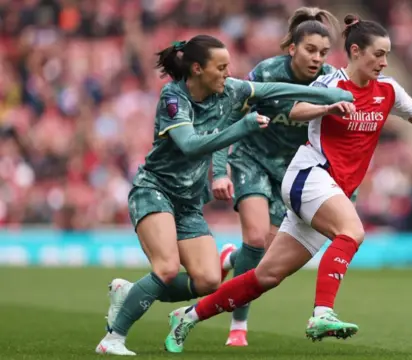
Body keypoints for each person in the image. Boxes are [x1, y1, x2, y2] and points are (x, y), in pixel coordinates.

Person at [163, 15, 412, 353]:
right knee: (352, 232)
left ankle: (188, 316)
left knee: (266, 277)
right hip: (310, 175)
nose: (383, 62)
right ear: (355, 51)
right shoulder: (330, 84)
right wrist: (326, 109)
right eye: (378, 54)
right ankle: (322, 313)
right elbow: (295, 110)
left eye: (386, 55)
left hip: (331, 190)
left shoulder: (389, 90)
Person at [94, 34, 354, 356]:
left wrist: (328, 95)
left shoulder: (231, 89)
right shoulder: (174, 98)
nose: (228, 73)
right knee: (166, 268)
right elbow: (190, 145)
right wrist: (242, 128)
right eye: (221, 67)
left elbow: (276, 91)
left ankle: (129, 292)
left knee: (207, 281)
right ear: (198, 69)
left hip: (188, 201)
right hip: (155, 189)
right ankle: (112, 339)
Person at [211, 7, 343, 347]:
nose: (317, 58)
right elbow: (230, 116)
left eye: (323, 53)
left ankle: (229, 259)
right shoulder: (266, 73)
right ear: (292, 48)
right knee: (255, 239)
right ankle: (238, 326)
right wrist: (220, 166)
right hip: (251, 158)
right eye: (310, 50)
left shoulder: (328, 79)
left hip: (292, 171)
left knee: (263, 254)